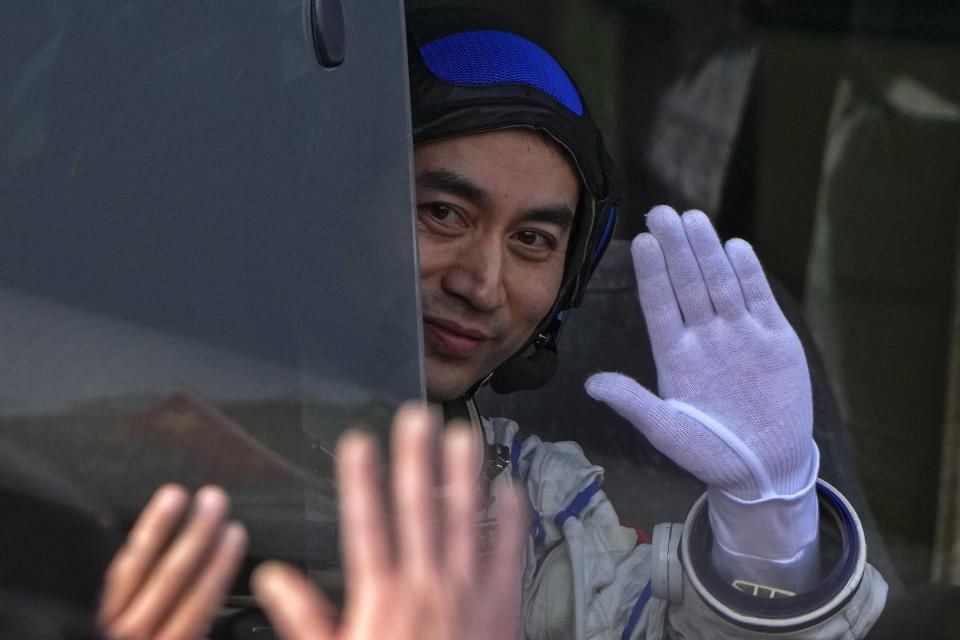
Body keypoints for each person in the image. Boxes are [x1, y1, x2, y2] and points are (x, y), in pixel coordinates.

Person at [96, 7, 889, 640]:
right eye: (442, 213)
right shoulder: (117, 437)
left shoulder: (542, 512)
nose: (482, 284)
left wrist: (767, 518)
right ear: (324, 203)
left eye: (534, 242)